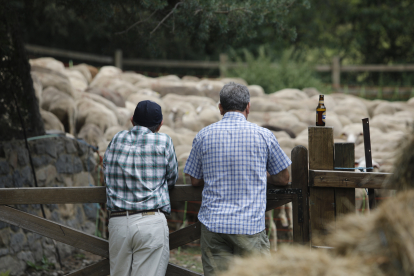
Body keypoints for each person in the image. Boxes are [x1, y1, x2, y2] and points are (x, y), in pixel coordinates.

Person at [184, 83, 291, 276]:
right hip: (248, 226)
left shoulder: (203, 135)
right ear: (248, 107)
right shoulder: (264, 135)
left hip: (213, 225)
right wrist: (260, 174)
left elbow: (194, 181)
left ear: (220, 108)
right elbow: (284, 178)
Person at [103, 100, 178, 276]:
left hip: (119, 222)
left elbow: (105, 169)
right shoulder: (164, 141)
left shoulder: (116, 139)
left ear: (132, 120)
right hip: (150, 221)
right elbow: (172, 178)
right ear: (160, 125)